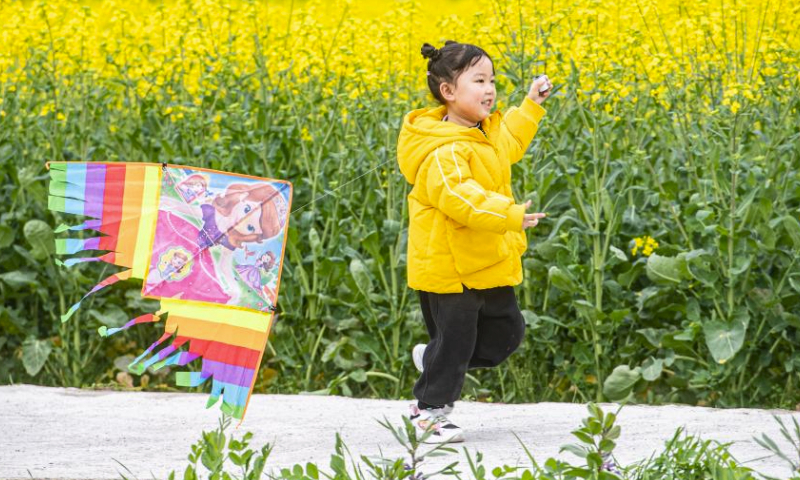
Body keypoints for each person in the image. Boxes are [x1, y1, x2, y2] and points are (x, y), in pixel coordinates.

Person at [396, 40, 552, 443]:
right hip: (449, 270)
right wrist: (511, 215)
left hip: (484, 261)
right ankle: (428, 413)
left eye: (493, 81)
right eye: (479, 80)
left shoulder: (483, 134)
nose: (490, 89)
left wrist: (531, 104)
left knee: (507, 334)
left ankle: (434, 357)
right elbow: (462, 199)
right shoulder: (442, 152)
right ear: (448, 92)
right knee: (458, 341)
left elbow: (510, 144)